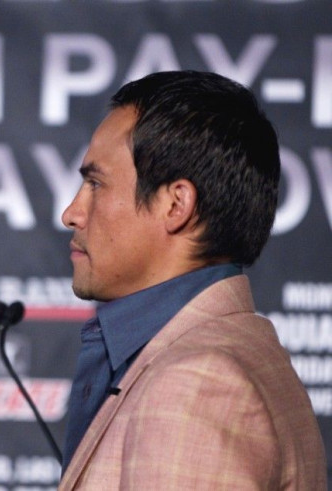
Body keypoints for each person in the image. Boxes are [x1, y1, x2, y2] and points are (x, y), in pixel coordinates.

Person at [58, 70, 326, 489]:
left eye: (96, 183)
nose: (72, 213)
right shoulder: (232, 352)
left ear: (176, 204)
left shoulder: (196, 384)